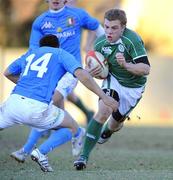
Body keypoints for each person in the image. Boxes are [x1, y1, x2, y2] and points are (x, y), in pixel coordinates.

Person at [2, 34, 117, 172]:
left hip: (12, 103)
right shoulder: (61, 53)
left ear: (41, 46)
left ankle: (26, 150)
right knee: (72, 128)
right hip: (37, 108)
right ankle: (40, 152)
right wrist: (104, 97)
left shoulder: (31, 54)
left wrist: (28, 85)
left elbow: (7, 72)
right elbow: (82, 75)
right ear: (57, 46)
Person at [10, 0, 105, 163]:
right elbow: (34, 50)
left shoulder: (78, 15)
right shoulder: (40, 21)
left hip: (71, 70)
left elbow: (97, 27)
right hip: (51, 72)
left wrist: (94, 48)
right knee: (54, 114)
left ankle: (25, 150)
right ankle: (76, 132)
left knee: (46, 104)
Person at [74, 8, 151, 170]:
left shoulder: (132, 40)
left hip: (134, 88)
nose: (109, 31)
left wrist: (126, 65)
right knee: (103, 111)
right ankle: (83, 157)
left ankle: (109, 130)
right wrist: (92, 71)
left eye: (114, 28)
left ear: (123, 27)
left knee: (114, 124)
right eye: (107, 27)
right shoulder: (101, 43)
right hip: (114, 80)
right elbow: (99, 70)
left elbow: (145, 69)